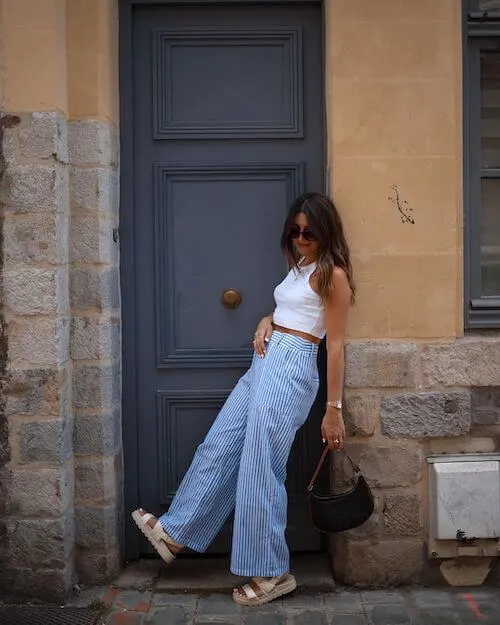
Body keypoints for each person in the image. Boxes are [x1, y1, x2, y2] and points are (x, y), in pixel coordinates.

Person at [132, 192, 355, 607]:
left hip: (292, 368)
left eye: (309, 232)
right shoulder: (300, 266)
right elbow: (292, 310)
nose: (300, 238)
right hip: (265, 362)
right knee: (222, 442)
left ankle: (273, 572)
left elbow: (336, 343)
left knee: (259, 465)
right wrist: (267, 318)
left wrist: (334, 410)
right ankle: (177, 533)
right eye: (295, 231)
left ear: (325, 232)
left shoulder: (333, 274)